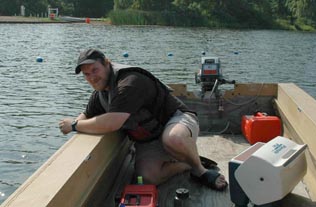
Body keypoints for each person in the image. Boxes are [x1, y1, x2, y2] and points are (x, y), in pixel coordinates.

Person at [59, 49, 227, 191]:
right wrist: (77, 124)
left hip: (177, 121)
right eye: (86, 74)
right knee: (147, 177)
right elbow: (87, 114)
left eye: (94, 70)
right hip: (150, 140)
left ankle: (200, 170)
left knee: (173, 139)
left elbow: (112, 122)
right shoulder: (100, 92)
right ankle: (188, 163)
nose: (91, 77)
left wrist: (74, 125)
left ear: (107, 63)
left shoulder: (129, 82)